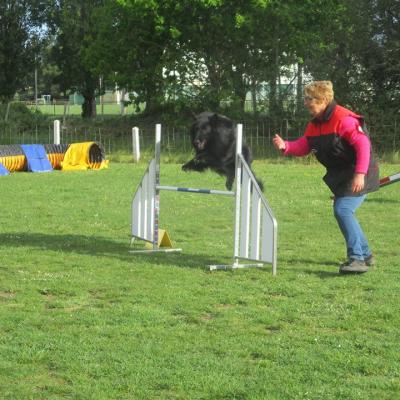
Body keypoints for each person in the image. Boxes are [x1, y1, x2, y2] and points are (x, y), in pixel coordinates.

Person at [273, 81, 379, 274]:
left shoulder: (344, 119)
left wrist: (360, 175)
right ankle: (366, 254)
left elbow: (363, 145)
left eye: (309, 99)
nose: (305, 103)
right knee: (343, 211)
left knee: (343, 210)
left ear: (322, 100)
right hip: (341, 173)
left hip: (360, 170)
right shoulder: (315, 124)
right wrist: (286, 146)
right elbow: (305, 145)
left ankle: (357, 259)